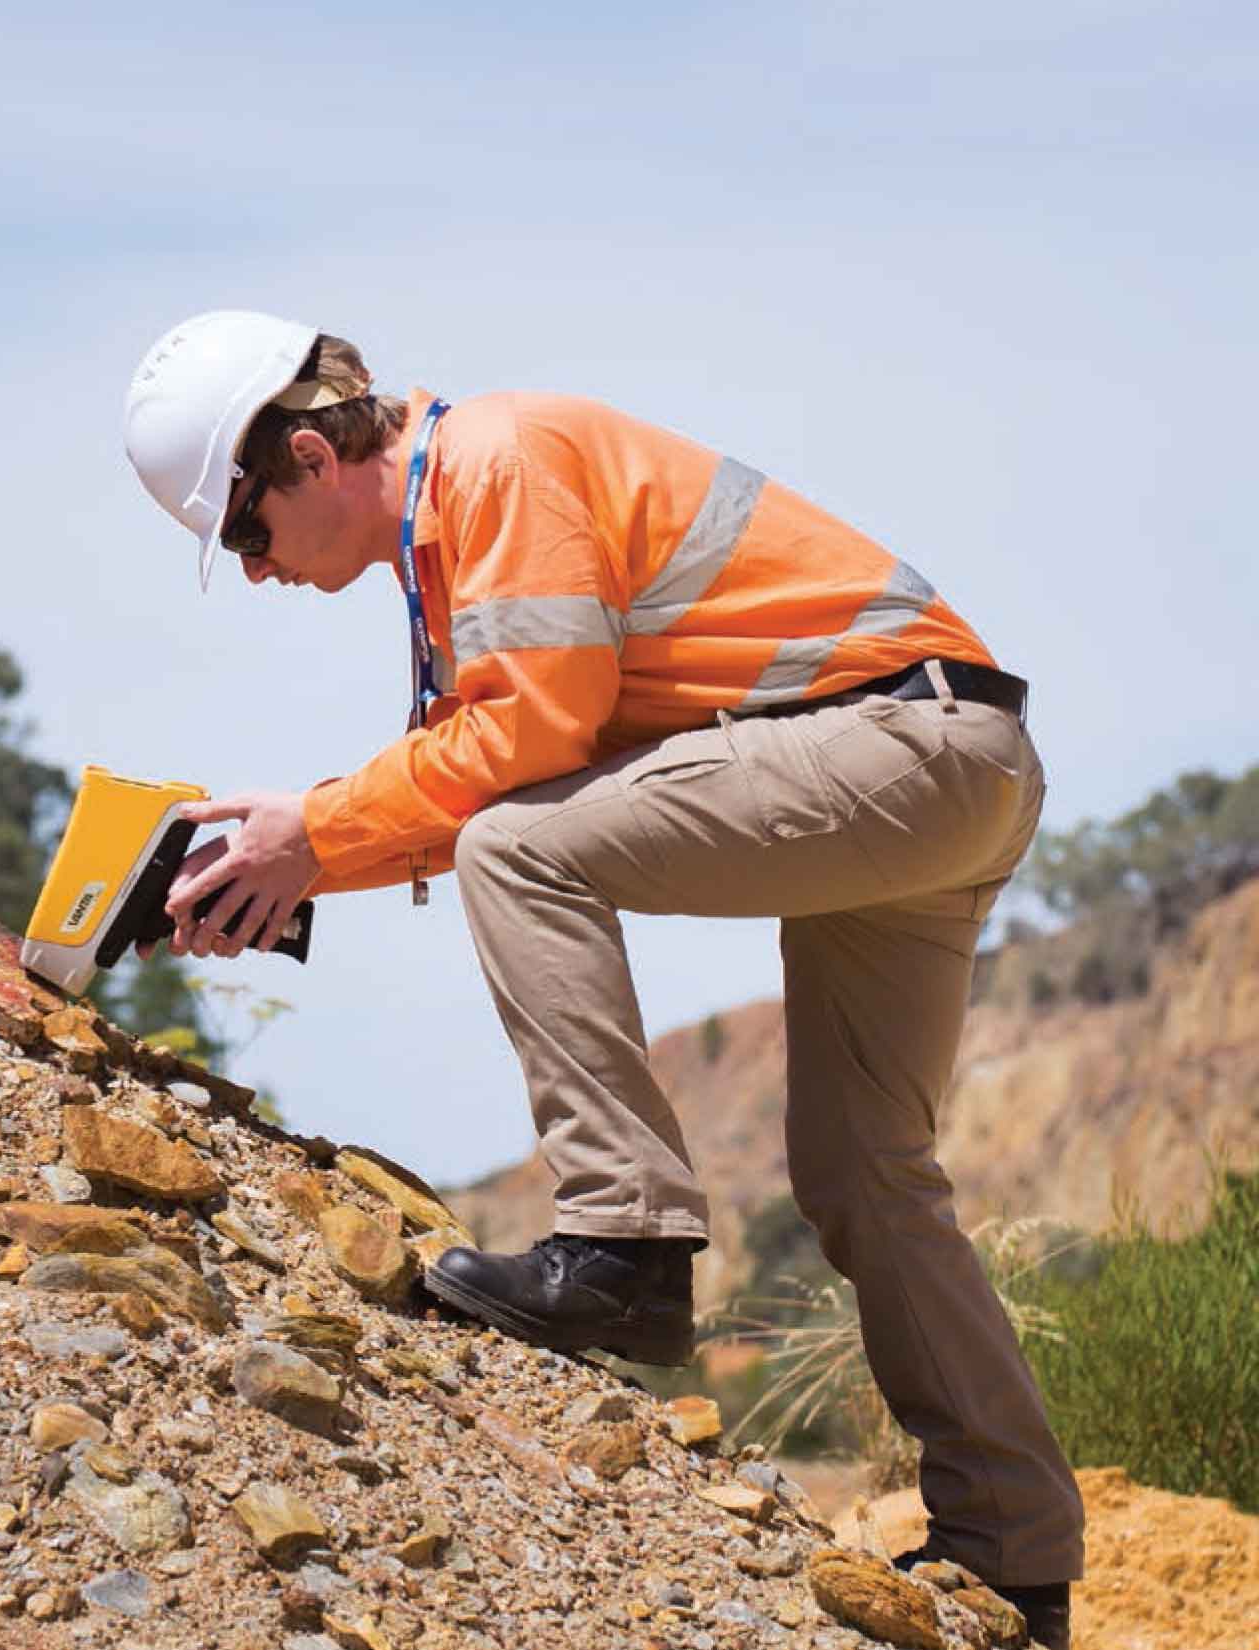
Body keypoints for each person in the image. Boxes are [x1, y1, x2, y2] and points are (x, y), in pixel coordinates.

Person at [121, 310, 1083, 1646]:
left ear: (308, 456)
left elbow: (531, 740)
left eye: (245, 532)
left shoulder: (498, 463)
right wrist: (289, 867)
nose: (257, 570)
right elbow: (500, 761)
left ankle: (624, 1241)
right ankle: (1017, 1562)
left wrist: (314, 834)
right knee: (867, 1173)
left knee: (516, 849)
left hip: (899, 745)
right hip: (943, 761)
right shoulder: (455, 524)